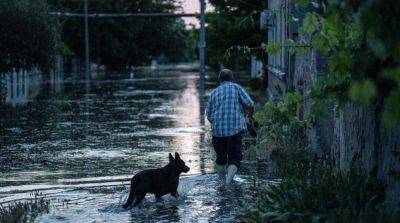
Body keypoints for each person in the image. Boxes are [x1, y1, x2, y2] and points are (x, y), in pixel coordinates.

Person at [205, 69, 254, 184]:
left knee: (220, 159)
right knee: (234, 158)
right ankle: (228, 182)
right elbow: (250, 104)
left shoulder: (214, 92)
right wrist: (250, 116)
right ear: (232, 78)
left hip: (218, 133)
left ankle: (222, 183)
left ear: (219, 80)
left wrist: (218, 124)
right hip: (234, 132)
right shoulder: (237, 88)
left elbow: (209, 116)